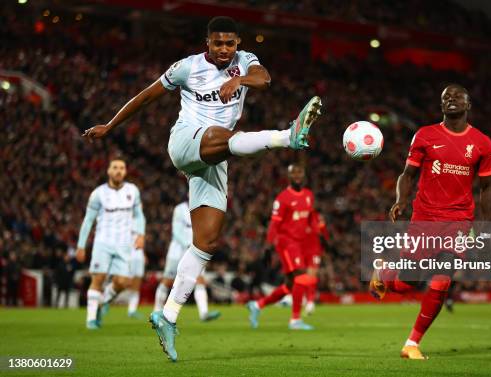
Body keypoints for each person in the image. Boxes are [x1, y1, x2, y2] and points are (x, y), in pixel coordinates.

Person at [82, 16, 321, 361]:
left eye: (230, 44)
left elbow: (264, 79)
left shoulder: (244, 61)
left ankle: (167, 316)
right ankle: (288, 136)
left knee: (206, 243)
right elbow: (146, 96)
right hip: (186, 142)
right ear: (207, 42)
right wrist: (110, 125)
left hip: (215, 156)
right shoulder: (187, 68)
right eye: (217, 43)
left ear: (238, 43)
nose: (224, 50)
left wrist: (239, 78)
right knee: (215, 135)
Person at [369, 84, 491, 359]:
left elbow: (488, 187)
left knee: (441, 280)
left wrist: (485, 226)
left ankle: (412, 343)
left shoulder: (483, 143)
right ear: (441, 105)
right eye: (445, 97)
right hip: (424, 218)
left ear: (468, 104)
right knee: (406, 284)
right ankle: (384, 273)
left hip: (459, 220)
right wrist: (401, 200)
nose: (451, 99)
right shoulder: (425, 135)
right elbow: (407, 174)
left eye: (457, 96)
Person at [76, 158, 146, 329]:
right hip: (103, 242)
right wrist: (81, 245)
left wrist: (141, 234)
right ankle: (91, 319)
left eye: (122, 168)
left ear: (125, 171)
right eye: (115, 168)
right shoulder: (98, 193)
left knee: (123, 282)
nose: (118, 171)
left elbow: (138, 215)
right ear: (108, 171)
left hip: (124, 244)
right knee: (98, 278)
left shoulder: (132, 191)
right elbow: (88, 220)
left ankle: (101, 302)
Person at [247, 164, 318, 330]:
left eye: (300, 172)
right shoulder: (282, 198)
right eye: (294, 173)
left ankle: (257, 305)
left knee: (291, 285)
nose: (298, 176)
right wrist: (268, 247)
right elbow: (274, 225)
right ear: (289, 177)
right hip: (286, 242)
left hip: (301, 243)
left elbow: (310, 218)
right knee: (301, 274)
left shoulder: (309, 195)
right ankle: (295, 320)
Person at [154, 200, 220, 322]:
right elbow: (176, 231)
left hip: (195, 252)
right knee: (167, 281)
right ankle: (156, 310)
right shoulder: (179, 209)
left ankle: (204, 313)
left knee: (199, 279)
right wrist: (187, 244)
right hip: (177, 250)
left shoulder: (203, 209)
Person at [303, 210, 328, 315]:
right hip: (301, 251)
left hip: (314, 252)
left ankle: (310, 300)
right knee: (302, 277)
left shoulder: (317, 218)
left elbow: (325, 235)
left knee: (311, 276)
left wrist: (321, 226)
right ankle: (306, 299)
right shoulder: (297, 218)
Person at [126, 229, 146, 318]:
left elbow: (141, 240)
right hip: (128, 256)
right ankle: (106, 301)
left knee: (136, 285)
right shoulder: (124, 219)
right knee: (123, 283)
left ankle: (132, 310)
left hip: (139, 257)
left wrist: (143, 254)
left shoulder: (140, 221)